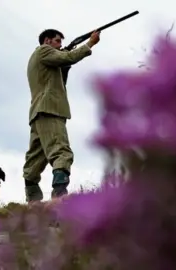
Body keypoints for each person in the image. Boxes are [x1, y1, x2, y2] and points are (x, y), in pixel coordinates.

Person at [23, 28, 101, 202]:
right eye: (57, 41)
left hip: (38, 113)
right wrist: (89, 43)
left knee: (34, 162)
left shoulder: (39, 59)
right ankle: (59, 200)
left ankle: (33, 203)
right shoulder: (43, 51)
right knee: (61, 153)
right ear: (47, 41)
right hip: (50, 110)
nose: (60, 45)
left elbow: (61, 75)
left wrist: (66, 61)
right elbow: (67, 57)